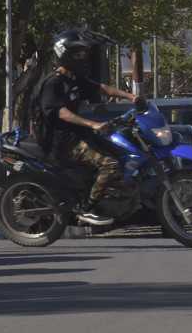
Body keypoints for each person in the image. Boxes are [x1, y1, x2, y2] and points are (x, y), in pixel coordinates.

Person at [36, 28, 139, 226]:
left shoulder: (74, 79)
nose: (82, 57)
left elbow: (101, 87)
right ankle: (87, 208)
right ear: (65, 54)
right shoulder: (54, 83)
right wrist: (93, 124)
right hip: (62, 142)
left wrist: (132, 97)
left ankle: (110, 199)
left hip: (78, 136)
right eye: (78, 53)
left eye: (83, 53)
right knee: (110, 164)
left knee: (120, 152)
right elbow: (60, 112)